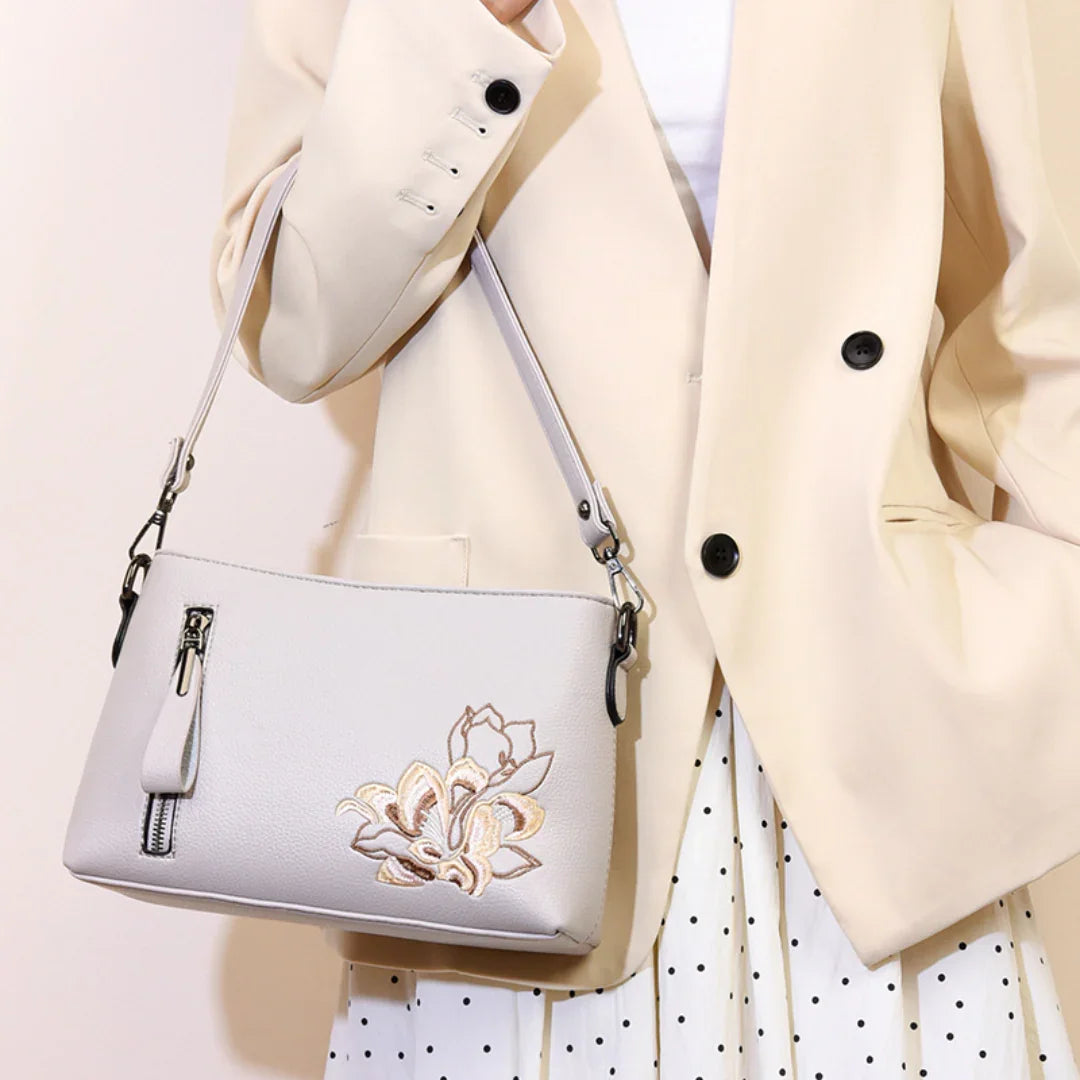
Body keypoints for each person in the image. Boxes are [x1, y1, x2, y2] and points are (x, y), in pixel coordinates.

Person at [209, 0, 1080, 1075]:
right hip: (513, 753)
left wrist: (1044, 620)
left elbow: (1042, 304)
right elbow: (294, 326)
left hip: (869, 717)